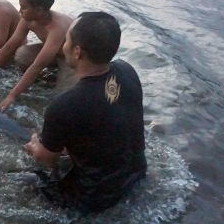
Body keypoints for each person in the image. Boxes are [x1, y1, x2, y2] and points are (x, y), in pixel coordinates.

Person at [23, 12, 147, 213]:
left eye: (67, 39)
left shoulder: (65, 105)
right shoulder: (127, 71)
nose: (64, 44)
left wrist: (35, 145)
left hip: (94, 198)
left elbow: (46, 159)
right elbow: (106, 115)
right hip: (137, 175)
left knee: (21, 180)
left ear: (77, 51)